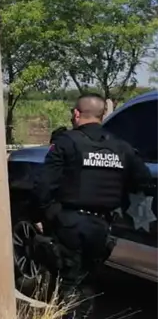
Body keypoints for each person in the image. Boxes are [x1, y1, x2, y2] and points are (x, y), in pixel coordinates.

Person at [35, 93, 151, 318]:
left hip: (69, 224)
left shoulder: (66, 142)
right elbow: (143, 180)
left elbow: (44, 186)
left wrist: (47, 215)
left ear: (76, 114)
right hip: (101, 226)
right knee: (88, 283)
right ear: (101, 115)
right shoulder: (122, 147)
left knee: (68, 284)